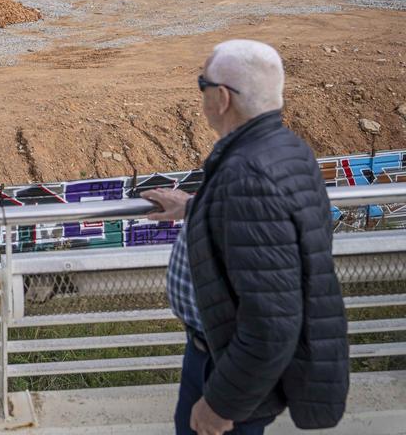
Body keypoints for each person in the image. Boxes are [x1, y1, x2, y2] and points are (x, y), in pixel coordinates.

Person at [142, 40, 348, 435]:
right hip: (217, 349)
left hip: (228, 368)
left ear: (221, 98)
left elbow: (271, 325)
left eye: (202, 83)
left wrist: (221, 404)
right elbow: (264, 230)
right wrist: (194, 206)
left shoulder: (248, 176)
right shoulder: (284, 150)